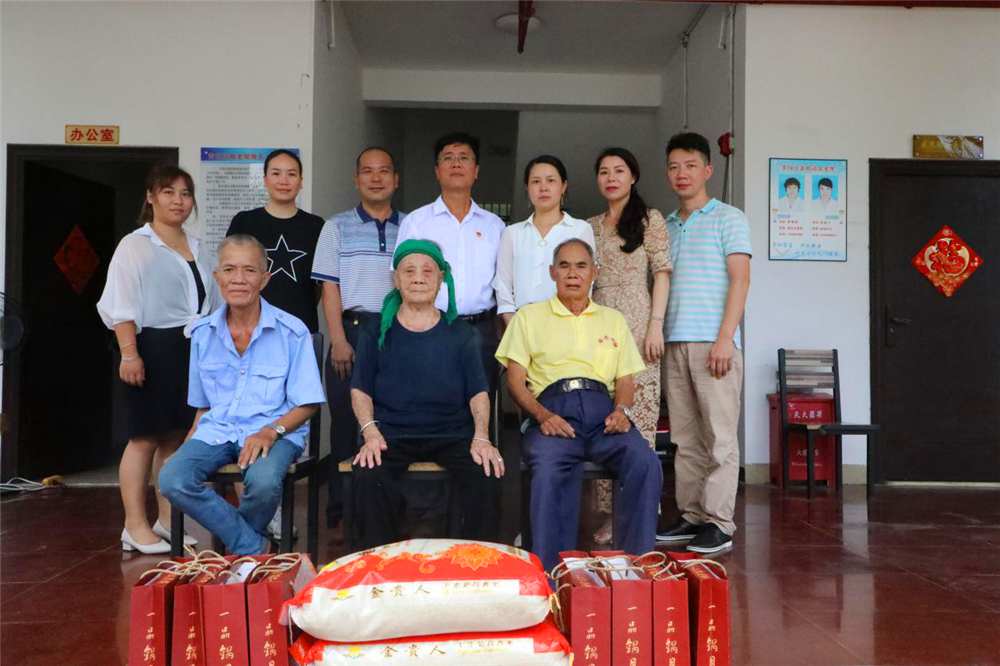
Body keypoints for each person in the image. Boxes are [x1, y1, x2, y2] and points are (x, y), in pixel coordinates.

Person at [496, 238, 662, 576]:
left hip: (604, 414)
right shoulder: (529, 317)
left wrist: (623, 411)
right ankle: (553, 575)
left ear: (594, 273)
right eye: (565, 266)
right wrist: (542, 415)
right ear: (552, 273)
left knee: (645, 463)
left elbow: (625, 380)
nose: (573, 274)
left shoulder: (612, 320)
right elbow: (514, 382)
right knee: (548, 469)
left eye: (581, 266)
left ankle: (634, 568)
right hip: (553, 411)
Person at [158, 235, 325, 555]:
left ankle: (242, 553)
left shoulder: (292, 331)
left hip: (275, 432)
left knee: (263, 482)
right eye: (229, 269)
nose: (238, 279)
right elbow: (203, 406)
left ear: (265, 279)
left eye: (249, 270)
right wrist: (188, 444)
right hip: (218, 430)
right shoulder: (203, 333)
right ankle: (254, 547)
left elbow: (308, 404)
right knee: (173, 478)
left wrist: (269, 431)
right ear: (217, 277)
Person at [98, 165, 221, 554]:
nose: (178, 201)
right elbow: (120, 304)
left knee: (174, 437)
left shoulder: (198, 246)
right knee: (144, 437)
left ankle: (168, 521)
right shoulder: (135, 245)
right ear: (151, 197)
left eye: (185, 193)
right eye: (168, 192)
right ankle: (134, 525)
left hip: (191, 349)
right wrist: (129, 353)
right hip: (149, 347)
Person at [350, 239, 502, 549]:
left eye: (428, 271)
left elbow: (478, 391)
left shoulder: (461, 333)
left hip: (452, 434)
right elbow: (360, 388)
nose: (418, 278)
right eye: (409, 271)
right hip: (392, 434)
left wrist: (482, 437)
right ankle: (380, 561)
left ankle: (477, 562)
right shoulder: (375, 330)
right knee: (368, 472)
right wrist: (370, 432)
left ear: (441, 278)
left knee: (487, 471)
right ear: (396, 279)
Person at [656, 132, 751, 555]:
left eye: (690, 165)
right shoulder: (665, 226)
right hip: (674, 342)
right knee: (685, 438)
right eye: (674, 167)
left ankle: (720, 521)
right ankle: (693, 515)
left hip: (716, 343)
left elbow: (740, 279)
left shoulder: (729, 218)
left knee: (720, 436)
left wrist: (725, 338)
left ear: (708, 170)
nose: (682, 174)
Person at [311, 147, 405, 531]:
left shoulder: (411, 226)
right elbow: (329, 287)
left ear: (396, 179)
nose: (376, 178)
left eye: (384, 171)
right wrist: (337, 339)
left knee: (392, 418)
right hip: (350, 331)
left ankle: (388, 509)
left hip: (397, 331)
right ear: (357, 180)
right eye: (368, 171)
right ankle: (342, 511)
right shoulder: (335, 227)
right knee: (346, 423)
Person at [587, 147, 671, 544]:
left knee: (640, 416)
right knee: (604, 415)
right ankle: (610, 513)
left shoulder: (650, 219)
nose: (611, 178)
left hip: (639, 320)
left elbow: (663, 274)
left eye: (619, 170)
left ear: (633, 176)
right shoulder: (589, 226)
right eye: (604, 172)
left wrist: (656, 325)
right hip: (599, 319)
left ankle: (641, 506)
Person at [395, 132, 505, 393]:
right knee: (431, 400)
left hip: (482, 331)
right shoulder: (416, 222)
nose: (456, 164)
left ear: (476, 170)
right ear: (437, 171)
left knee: (480, 403)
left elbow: (504, 285)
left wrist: (505, 340)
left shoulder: (494, 225)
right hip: (430, 328)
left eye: (464, 158)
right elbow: (399, 280)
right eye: (448, 158)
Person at [226, 149, 325, 333]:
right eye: (276, 173)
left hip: (300, 326)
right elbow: (230, 273)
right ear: (265, 180)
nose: (283, 181)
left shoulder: (316, 226)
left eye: (291, 174)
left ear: (301, 182)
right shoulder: (244, 221)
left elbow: (320, 285)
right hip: (250, 327)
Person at [494, 155, 595, 328]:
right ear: (527, 188)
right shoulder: (513, 232)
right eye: (536, 181)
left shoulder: (580, 229)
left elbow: (587, 280)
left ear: (563, 186)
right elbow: (502, 282)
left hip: (567, 321)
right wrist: (512, 322)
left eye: (551, 180)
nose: (543, 188)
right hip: (521, 322)